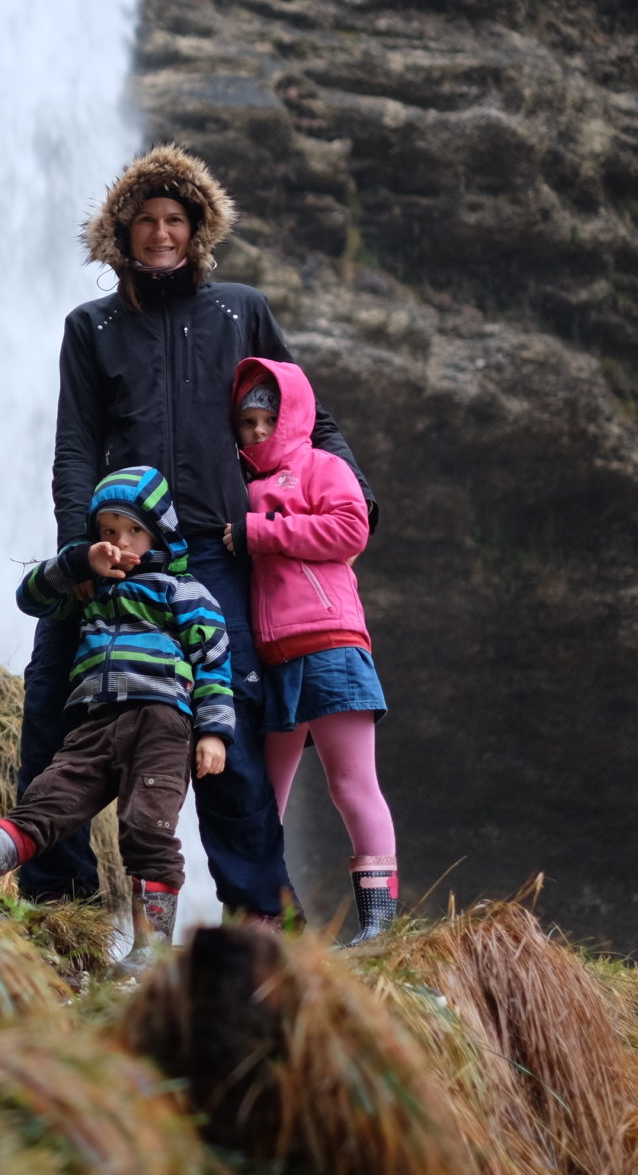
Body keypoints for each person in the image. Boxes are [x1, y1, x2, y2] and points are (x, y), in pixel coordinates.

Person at [20, 143, 377, 925]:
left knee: (235, 734)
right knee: (51, 700)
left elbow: (307, 416)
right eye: (144, 220)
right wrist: (80, 555)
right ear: (122, 231)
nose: (159, 234)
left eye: (174, 219)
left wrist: (353, 498)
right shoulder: (93, 327)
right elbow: (76, 446)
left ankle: (261, 927)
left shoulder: (238, 311)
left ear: (197, 227)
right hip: (117, 548)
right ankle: (60, 909)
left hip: (215, 550)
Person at [0, 466, 235, 956]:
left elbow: (214, 661)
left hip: (161, 723)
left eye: (133, 531)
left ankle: (150, 954)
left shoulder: (182, 593)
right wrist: (82, 561)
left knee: (148, 830)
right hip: (95, 723)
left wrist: (213, 732)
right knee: (45, 802)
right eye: (108, 531)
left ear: (160, 533)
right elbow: (30, 596)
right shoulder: (91, 594)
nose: (120, 541)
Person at [224, 360, 399, 943]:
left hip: (330, 645)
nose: (254, 433)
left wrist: (262, 532)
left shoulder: (323, 467)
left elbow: (352, 528)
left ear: (291, 415)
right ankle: (265, 917)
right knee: (261, 798)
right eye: (245, 422)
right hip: (272, 661)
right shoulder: (240, 488)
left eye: (266, 420)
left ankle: (378, 927)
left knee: (351, 785)